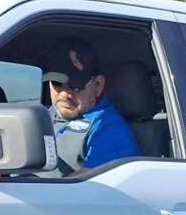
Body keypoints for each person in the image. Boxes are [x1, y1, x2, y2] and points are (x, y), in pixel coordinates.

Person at [42, 36, 139, 172]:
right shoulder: (38, 116)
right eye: (57, 83)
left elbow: (91, 184)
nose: (65, 94)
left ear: (98, 85)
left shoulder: (107, 125)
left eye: (75, 86)